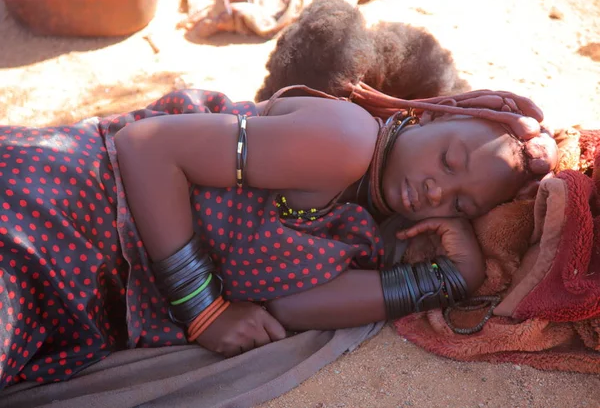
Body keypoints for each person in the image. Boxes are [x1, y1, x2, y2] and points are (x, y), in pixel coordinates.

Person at [0, 83, 558, 389]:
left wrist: (443, 279)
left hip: (84, 280)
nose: (438, 191)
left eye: (462, 203)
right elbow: (147, 147)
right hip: (57, 208)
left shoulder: (365, 217)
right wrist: (205, 310)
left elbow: (287, 304)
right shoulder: (347, 139)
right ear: (427, 116)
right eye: (449, 158)